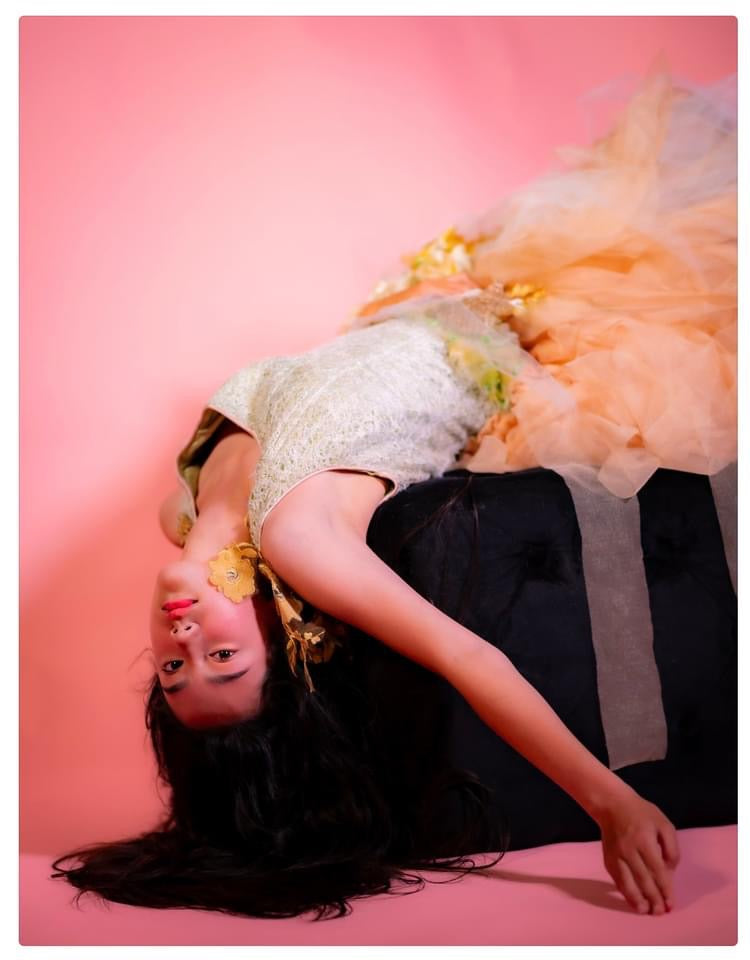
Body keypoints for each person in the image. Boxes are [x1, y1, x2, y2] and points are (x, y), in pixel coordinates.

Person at [52, 64, 736, 922]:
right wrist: (612, 802)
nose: (185, 640)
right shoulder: (301, 542)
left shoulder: (182, 512)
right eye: (224, 659)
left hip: (426, 292)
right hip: (516, 324)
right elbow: (471, 660)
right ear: (286, 641)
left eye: (174, 669)